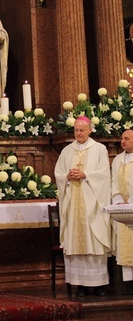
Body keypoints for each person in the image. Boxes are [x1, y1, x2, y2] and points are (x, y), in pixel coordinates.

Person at [54, 116, 111, 297]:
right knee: (75, 240)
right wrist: (67, 177)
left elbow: (104, 174)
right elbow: (58, 174)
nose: (79, 133)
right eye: (76, 130)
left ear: (89, 130)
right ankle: (81, 286)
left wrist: (85, 174)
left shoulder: (99, 149)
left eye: (82, 130)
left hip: (92, 204)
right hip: (73, 204)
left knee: (93, 239)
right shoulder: (66, 151)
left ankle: (100, 284)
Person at [111, 128, 133, 294]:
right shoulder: (118, 159)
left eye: (127, 138)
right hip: (123, 208)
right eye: (122, 138)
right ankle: (128, 283)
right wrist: (118, 199)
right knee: (125, 244)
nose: (123, 141)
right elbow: (114, 182)